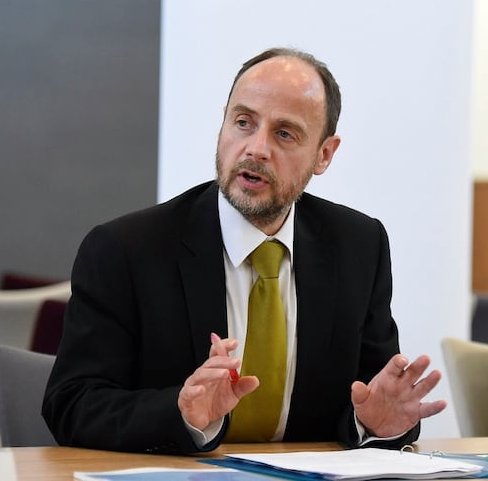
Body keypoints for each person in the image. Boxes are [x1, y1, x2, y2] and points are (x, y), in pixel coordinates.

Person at [43, 47, 446, 454]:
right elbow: (71, 403)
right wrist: (181, 413)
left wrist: (373, 424)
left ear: (324, 154)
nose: (256, 148)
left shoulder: (359, 245)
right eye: (243, 123)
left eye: (284, 133)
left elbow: (371, 400)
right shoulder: (126, 250)